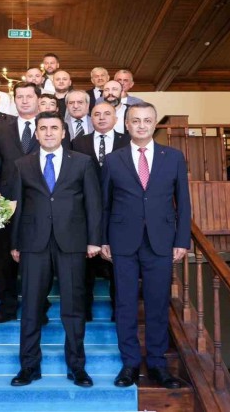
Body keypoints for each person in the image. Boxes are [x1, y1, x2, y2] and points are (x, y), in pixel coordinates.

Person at [100, 102, 191, 389]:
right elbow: (105, 204)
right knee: (125, 305)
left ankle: (157, 365)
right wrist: (103, 238)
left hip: (161, 241)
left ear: (154, 124)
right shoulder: (112, 160)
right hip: (122, 241)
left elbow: (183, 202)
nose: (141, 125)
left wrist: (182, 240)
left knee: (157, 305)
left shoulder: (173, 157)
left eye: (147, 120)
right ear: (126, 124)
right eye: (136, 120)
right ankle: (129, 364)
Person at [9, 111, 102, 388]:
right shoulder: (22, 164)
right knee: (31, 308)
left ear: (63, 133)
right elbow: (17, 206)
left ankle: (77, 367)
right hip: (33, 243)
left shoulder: (82, 162)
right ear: (36, 134)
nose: (48, 132)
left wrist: (94, 239)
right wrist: (15, 243)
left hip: (72, 242)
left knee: (73, 308)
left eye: (54, 128)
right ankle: (29, 367)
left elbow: (93, 204)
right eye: (43, 128)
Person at [0, 83, 69, 324]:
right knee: (4, 260)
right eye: (19, 97)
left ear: (37, 99)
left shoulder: (50, 127)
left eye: (29, 96)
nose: (24, 101)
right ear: (14, 100)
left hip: (40, 204)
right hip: (7, 205)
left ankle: (39, 308)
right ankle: (7, 307)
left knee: (40, 261)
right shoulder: (2, 129)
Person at [71, 102, 130, 321]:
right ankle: (85, 310)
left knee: (118, 266)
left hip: (119, 211)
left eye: (107, 114)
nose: (102, 117)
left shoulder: (127, 141)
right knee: (85, 266)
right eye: (97, 114)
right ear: (91, 118)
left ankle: (118, 311)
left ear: (116, 118)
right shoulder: (79, 142)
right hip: (85, 211)